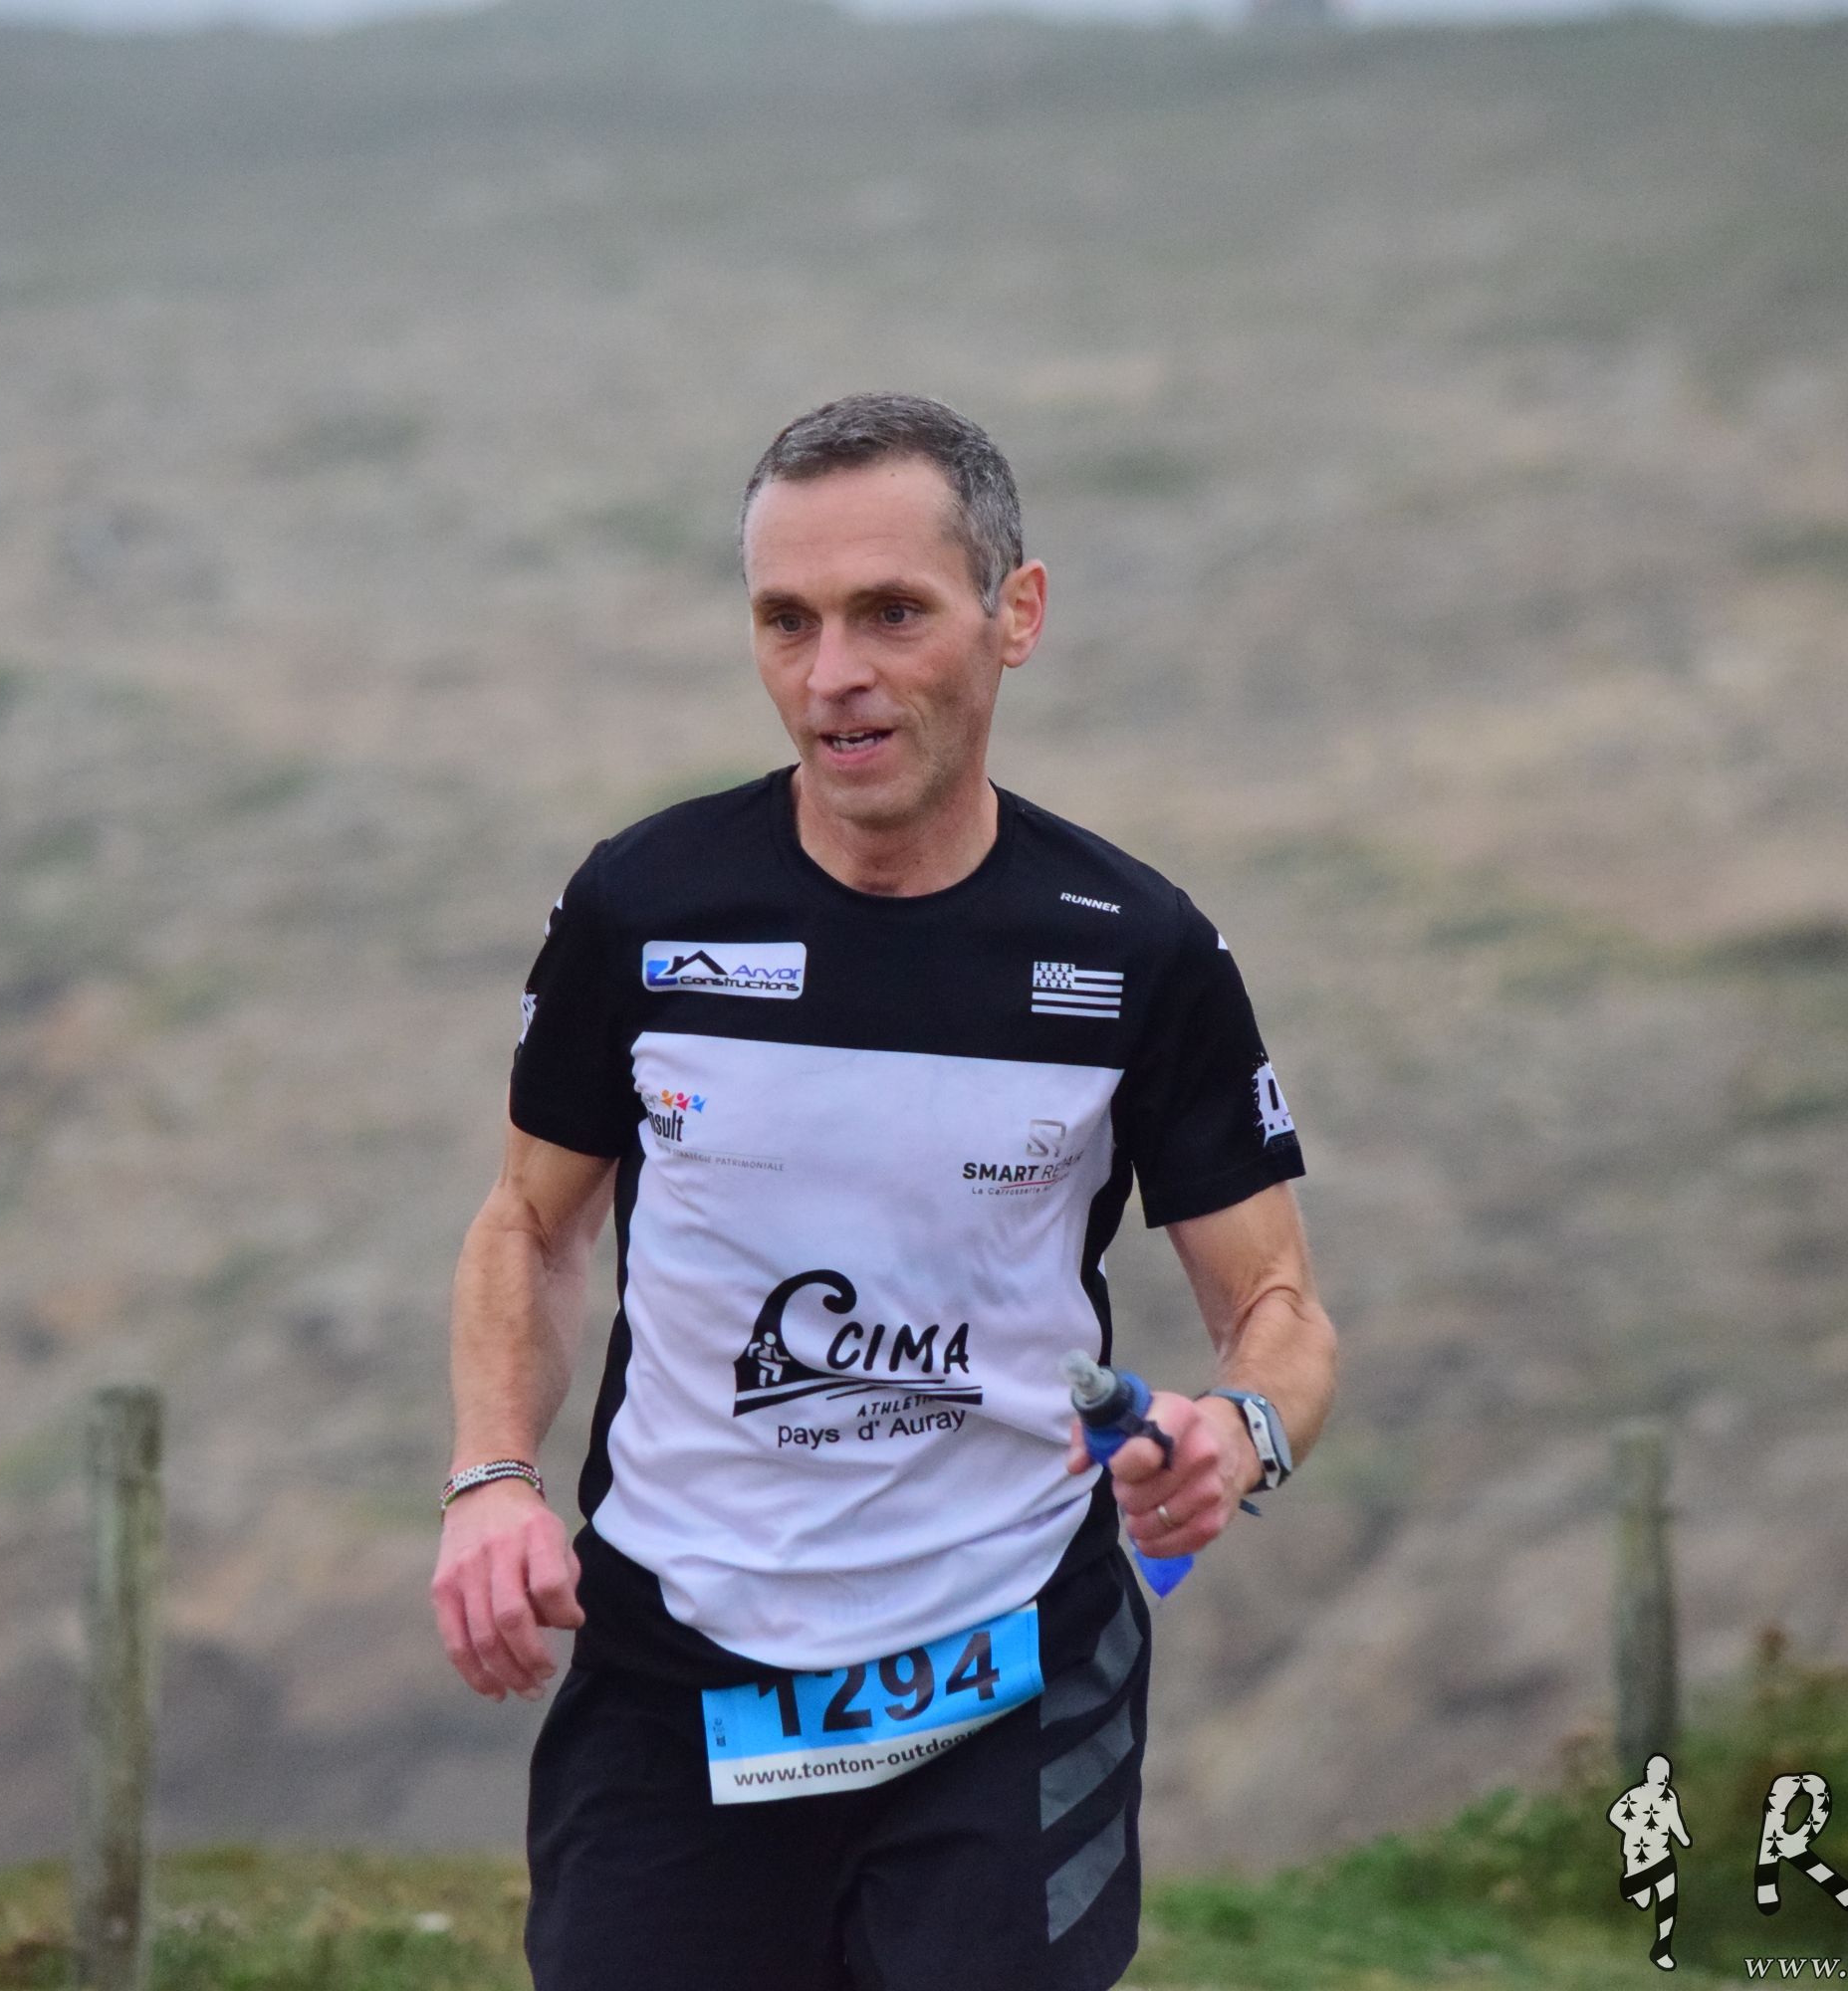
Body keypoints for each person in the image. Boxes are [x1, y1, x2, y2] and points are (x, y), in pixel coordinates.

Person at [431, 390, 1337, 1991]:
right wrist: (493, 1476)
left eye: (891, 613)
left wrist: (1241, 1428)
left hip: (1006, 1669)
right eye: (787, 621)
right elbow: (530, 1224)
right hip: (676, 1663)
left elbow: (1279, 1308)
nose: (831, 673)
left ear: (1015, 616)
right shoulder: (645, 907)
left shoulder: (1137, 952)